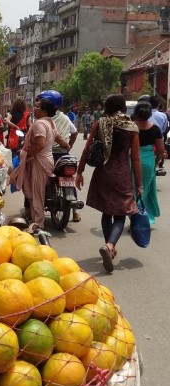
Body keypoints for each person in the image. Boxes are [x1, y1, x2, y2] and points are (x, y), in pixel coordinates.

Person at [76, 94, 142, 273]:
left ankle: (108, 246)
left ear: (107, 107)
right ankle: (110, 245)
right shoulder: (131, 128)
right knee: (121, 214)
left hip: (103, 173)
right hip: (121, 175)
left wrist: (79, 172)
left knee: (107, 212)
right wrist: (140, 184)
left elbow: (86, 149)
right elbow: (135, 159)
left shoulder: (100, 124)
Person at [9, 98, 57, 229]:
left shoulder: (40, 124)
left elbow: (40, 144)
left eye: (36, 107)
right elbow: (54, 138)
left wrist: (27, 154)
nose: (33, 109)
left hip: (39, 160)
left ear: (43, 111)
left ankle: (38, 224)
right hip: (44, 159)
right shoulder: (50, 123)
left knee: (37, 193)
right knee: (32, 191)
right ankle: (34, 218)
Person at [36, 90, 80, 222]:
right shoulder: (65, 118)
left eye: (39, 104)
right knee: (69, 179)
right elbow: (75, 132)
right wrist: (69, 146)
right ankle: (75, 212)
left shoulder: (42, 120)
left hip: (46, 154)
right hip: (63, 154)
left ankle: (33, 207)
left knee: (37, 179)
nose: (37, 106)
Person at [133, 101, 164, 225]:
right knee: (145, 190)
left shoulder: (131, 127)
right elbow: (161, 150)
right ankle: (145, 218)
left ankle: (136, 218)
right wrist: (155, 162)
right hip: (148, 161)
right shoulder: (155, 129)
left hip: (132, 160)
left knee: (134, 190)